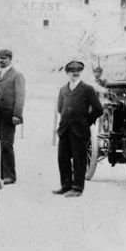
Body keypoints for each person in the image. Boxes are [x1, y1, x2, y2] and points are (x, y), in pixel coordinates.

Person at [53, 61, 103, 198]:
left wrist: (86, 122)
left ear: (81, 72)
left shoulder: (87, 89)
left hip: (79, 131)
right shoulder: (63, 89)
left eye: (78, 71)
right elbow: (60, 108)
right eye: (72, 71)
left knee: (78, 159)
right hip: (64, 129)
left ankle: (77, 188)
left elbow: (98, 109)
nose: (75, 73)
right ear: (67, 73)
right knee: (62, 158)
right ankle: (65, 186)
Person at [0, 49, 25, 185]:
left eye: (4, 58)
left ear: (10, 59)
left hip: (8, 116)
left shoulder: (16, 75)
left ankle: (10, 175)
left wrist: (17, 115)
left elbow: (20, 96)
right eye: (0, 58)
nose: (1, 60)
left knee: (6, 144)